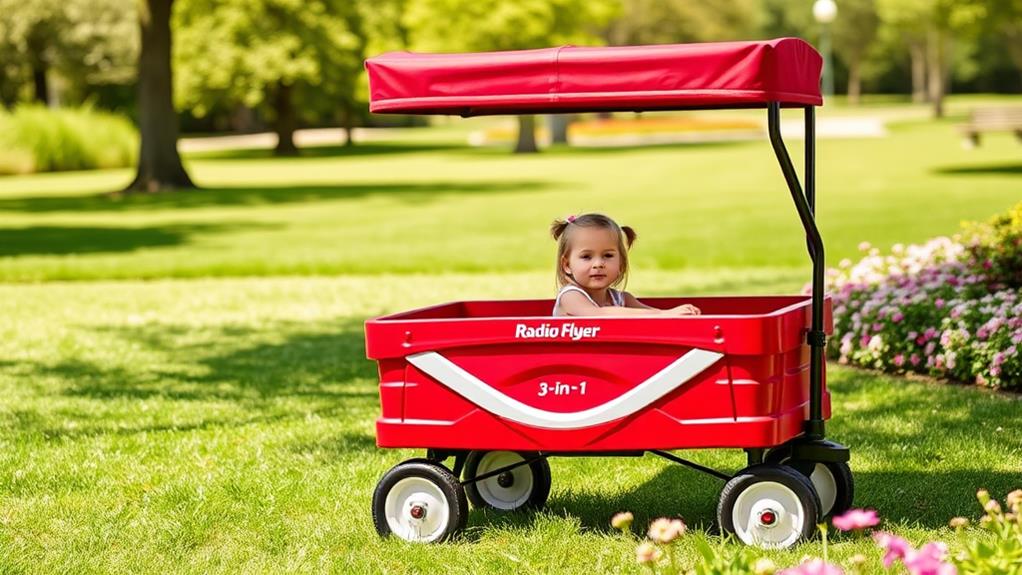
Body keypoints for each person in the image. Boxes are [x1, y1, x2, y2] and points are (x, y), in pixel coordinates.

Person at [550, 213, 702, 317]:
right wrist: (664, 314)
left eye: (608, 256)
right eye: (586, 257)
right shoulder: (571, 296)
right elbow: (600, 315)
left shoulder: (623, 299)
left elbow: (653, 315)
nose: (598, 264)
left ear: (621, 263)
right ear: (567, 265)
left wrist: (672, 314)